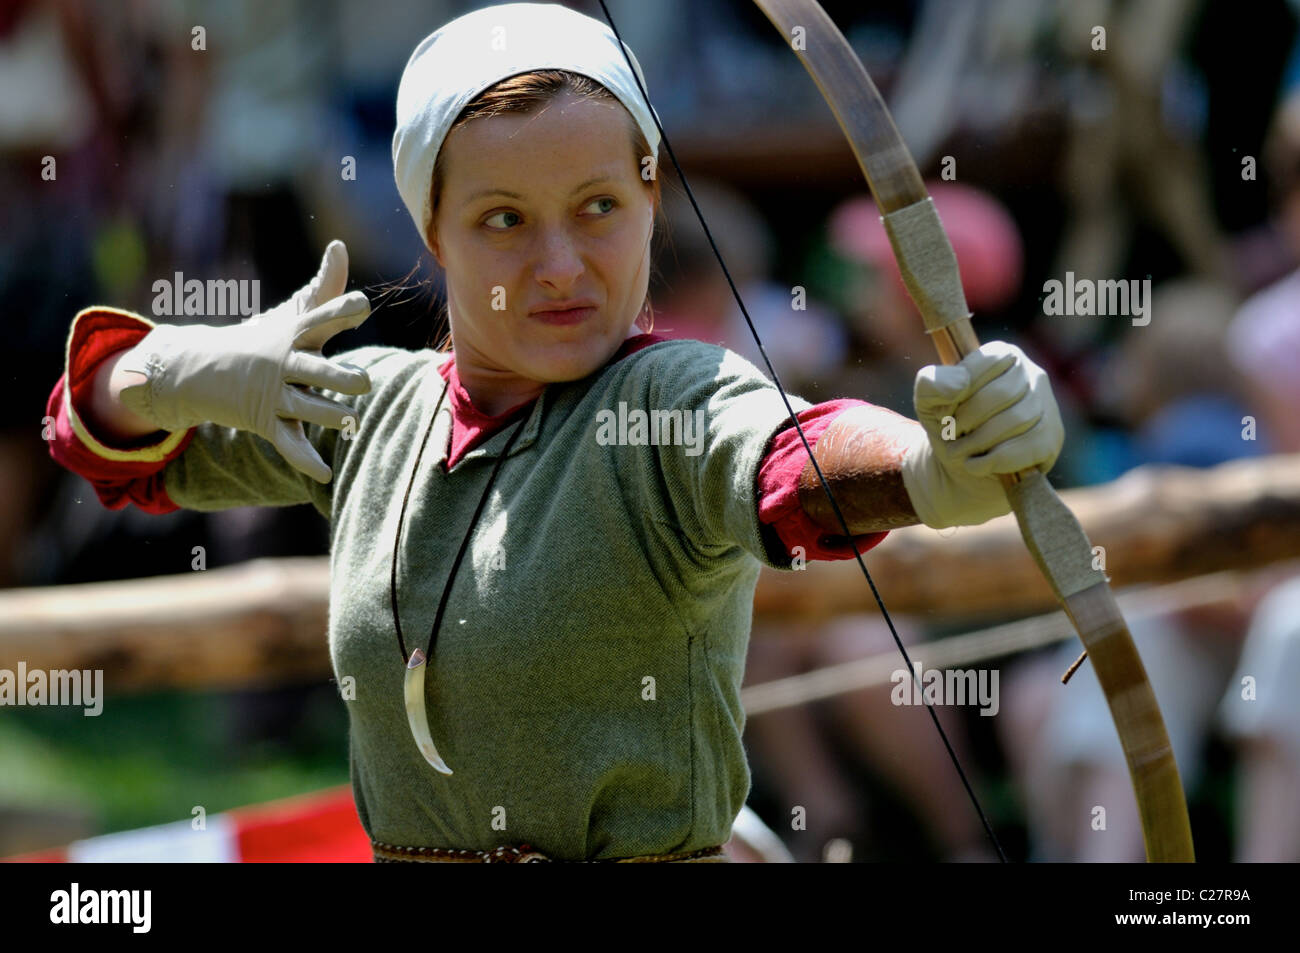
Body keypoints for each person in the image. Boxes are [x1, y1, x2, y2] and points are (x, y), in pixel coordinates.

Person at [44, 2, 1064, 862]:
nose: (563, 265)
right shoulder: (366, 408)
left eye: (598, 206)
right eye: (503, 220)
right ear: (430, 227)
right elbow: (104, 443)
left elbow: (786, 459)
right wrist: (170, 372)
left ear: (651, 200)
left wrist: (932, 469)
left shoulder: (671, 396)